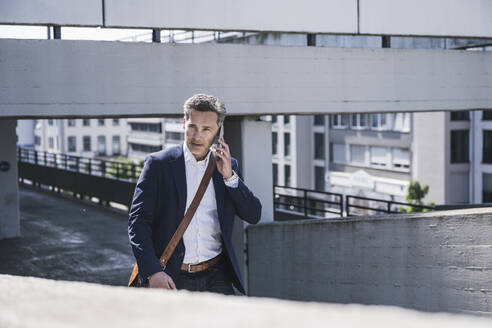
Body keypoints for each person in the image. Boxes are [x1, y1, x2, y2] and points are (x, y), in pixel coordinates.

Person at [128, 94, 262, 295]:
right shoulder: (158, 164)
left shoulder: (227, 166)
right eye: (192, 127)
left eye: (206, 129)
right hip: (172, 276)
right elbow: (138, 223)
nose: (197, 136)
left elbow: (253, 215)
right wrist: (153, 271)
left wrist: (230, 177)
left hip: (217, 275)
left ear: (218, 130)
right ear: (184, 123)